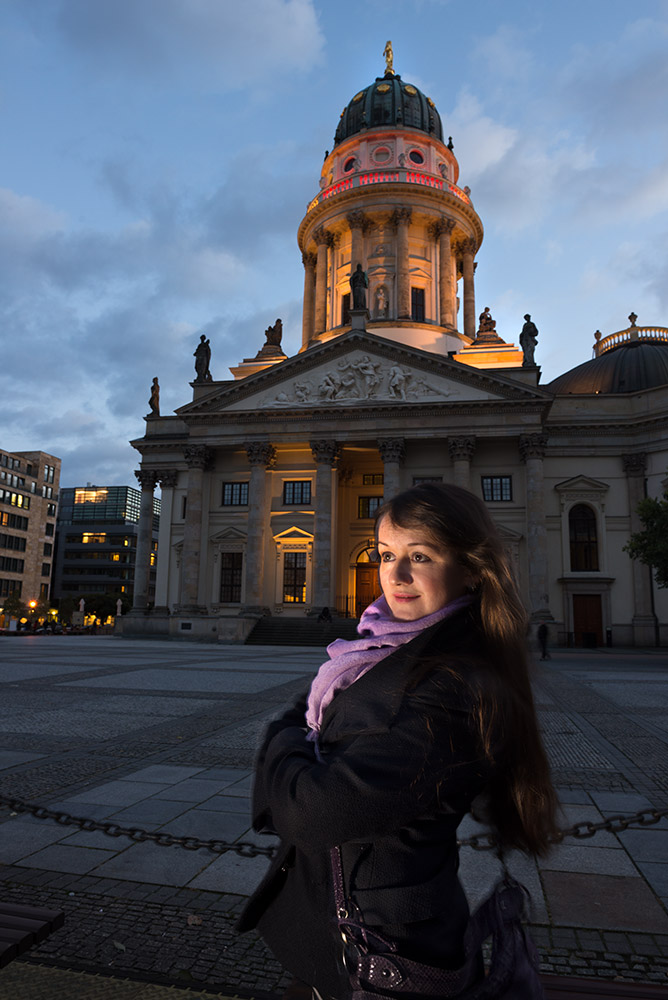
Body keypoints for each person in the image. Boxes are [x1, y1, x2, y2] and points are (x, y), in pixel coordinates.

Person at [238, 483, 558, 999]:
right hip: (358, 935)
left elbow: (313, 812)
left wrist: (278, 737)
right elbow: (312, 709)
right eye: (386, 554)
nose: (395, 575)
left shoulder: (454, 686)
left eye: (421, 556)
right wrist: (295, 729)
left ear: (473, 569)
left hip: (384, 952)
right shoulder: (384, 649)